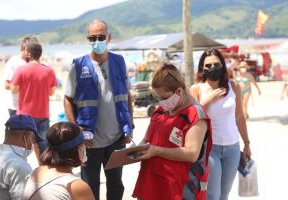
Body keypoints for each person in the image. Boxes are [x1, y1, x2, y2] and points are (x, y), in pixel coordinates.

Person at [63, 19, 133, 200]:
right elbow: (68, 99)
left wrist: (129, 126)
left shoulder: (119, 62)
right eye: (92, 37)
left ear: (108, 37)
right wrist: (75, 129)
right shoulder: (78, 66)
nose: (97, 41)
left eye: (101, 37)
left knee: (116, 185)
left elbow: (127, 96)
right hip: (89, 141)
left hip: (116, 139)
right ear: (88, 38)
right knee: (89, 186)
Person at [132, 63, 212, 200]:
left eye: (164, 97)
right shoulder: (160, 111)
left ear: (179, 91)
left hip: (179, 188)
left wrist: (156, 150)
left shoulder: (195, 115)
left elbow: (191, 154)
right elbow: (147, 139)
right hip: (152, 183)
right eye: (158, 98)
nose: (161, 102)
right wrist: (135, 150)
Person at [190, 49, 251, 200]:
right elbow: (191, 117)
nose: (212, 68)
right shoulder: (197, 89)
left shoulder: (233, 86)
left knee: (225, 193)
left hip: (233, 147)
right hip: (210, 148)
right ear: (202, 69)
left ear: (223, 65)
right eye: (208, 65)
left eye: (216, 64)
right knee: (212, 194)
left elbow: (239, 117)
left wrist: (247, 143)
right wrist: (206, 101)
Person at [23, 122, 94, 200]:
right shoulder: (77, 186)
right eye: (83, 144)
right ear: (76, 149)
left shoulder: (36, 173)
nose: (85, 148)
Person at [11, 38, 58, 156]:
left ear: (29, 53)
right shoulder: (49, 70)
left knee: (22, 147)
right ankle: (44, 171)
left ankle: (21, 171)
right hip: (43, 114)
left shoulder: (21, 69)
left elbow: (13, 89)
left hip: (24, 114)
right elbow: (52, 92)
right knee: (43, 147)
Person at [4, 35, 38, 116]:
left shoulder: (34, 62)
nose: (34, 52)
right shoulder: (13, 62)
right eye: (32, 49)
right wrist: (26, 88)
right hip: (16, 107)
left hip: (33, 108)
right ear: (25, 48)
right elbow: (6, 85)